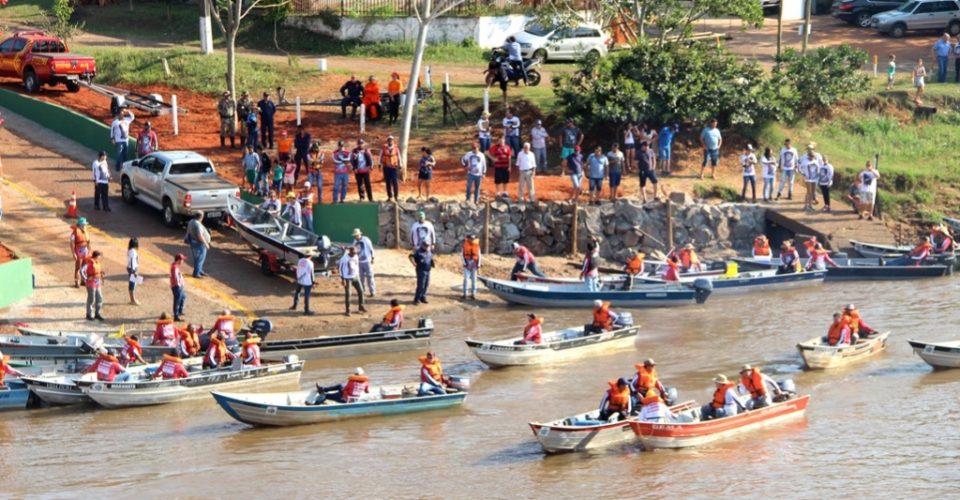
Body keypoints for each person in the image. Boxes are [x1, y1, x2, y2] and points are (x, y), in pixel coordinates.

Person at [339, 246, 366, 316]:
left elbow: (357, 266)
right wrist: (343, 279)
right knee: (348, 294)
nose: (355, 254)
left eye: (355, 252)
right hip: (347, 278)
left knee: (361, 291)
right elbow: (340, 269)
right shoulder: (344, 258)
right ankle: (348, 310)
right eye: (353, 252)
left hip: (356, 277)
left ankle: (361, 306)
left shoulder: (356, 256)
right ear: (350, 252)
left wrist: (358, 275)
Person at [80, 250, 105, 321]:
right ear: (96, 256)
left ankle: (97, 313)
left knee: (99, 297)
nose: (101, 258)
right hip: (91, 284)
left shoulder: (97, 263)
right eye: (100, 256)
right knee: (91, 299)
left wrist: (101, 274)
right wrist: (86, 279)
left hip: (97, 283)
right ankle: (89, 314)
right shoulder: (89, 263)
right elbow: (82, 271)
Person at [185, 212, 211, 278]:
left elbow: (188, 231)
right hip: (199, 243)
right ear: (201, 217)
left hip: (194, 242)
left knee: (199, 258)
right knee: (199, 258)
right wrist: (206, 244)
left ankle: (199, 271)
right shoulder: (198, 224)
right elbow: (200, 235)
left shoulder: (191, 221)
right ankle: (196, 273)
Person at [353, 228, 376, 297]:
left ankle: (372, 291)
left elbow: (371, 248)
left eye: (357, 235)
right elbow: (354, 251)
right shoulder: (354, 241)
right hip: (359, 262)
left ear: (360, 234)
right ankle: (362, 291)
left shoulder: (366, 240)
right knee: (361, 278)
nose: (356, 236)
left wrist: (372, 257)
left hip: (367, 261)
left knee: (370, 277)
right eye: (355, 235)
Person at [799, 144, 822, 212]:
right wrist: (803, 174)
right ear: (809, 156)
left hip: (814, 178)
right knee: (808, 192)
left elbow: (818, 168)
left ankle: (810, 205)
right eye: (811, 156)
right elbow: (799, 167)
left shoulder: (815, 161)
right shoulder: (805, 161)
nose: (812, 157)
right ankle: (806, 206)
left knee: (812, 192)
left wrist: (818, 173)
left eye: (813, 156)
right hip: (808, 178)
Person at [379, 135, 401, 201]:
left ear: (393, 141)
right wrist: (379, 164)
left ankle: (396, 196)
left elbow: (399, 156)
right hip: (386, 167)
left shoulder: (396, 148)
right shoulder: (384, 148)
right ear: (387, 141)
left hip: (394, 167)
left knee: (395, 182)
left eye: (391, 140)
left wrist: (401, 164)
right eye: (389, 140)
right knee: (388, 182)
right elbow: (380, 156)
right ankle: (389, 196)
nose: (390, 141)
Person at [71, 218, 91, 288]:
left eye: (85, 225)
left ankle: (83, 281)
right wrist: (74, 254)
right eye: (84, 224)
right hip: (78, 250)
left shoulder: (85, 232)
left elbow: (88, 242)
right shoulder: (74, 233)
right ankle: (77, 281)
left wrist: (89, 251)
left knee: (84, 267)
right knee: (78, 267)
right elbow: (72, 243)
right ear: (80, 225)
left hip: (85, 250)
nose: (85, 226)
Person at [461, 232, 481, 300]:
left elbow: (479, 255)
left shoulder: (477, 245)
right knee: (466, 279)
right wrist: (464, 262)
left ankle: (473, 294)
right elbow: (462, 255)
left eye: (473, 238)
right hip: (467, 264)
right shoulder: (465, 245)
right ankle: (465, 294)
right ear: (468, 238)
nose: (472, 240)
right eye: (471, 238)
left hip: (474, 264)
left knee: (474, 280)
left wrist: (479, 264)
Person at [170, 253, 187, 321]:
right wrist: (179, 284)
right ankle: (176, 316)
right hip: (177, 286)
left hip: (178, 286)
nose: (183, 261)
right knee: (177, 300)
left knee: (183, 297)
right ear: (179, 260)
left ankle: (180, 311)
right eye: (182, 260)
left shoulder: (175, 266)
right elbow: (175, 278)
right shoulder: (174, 267)